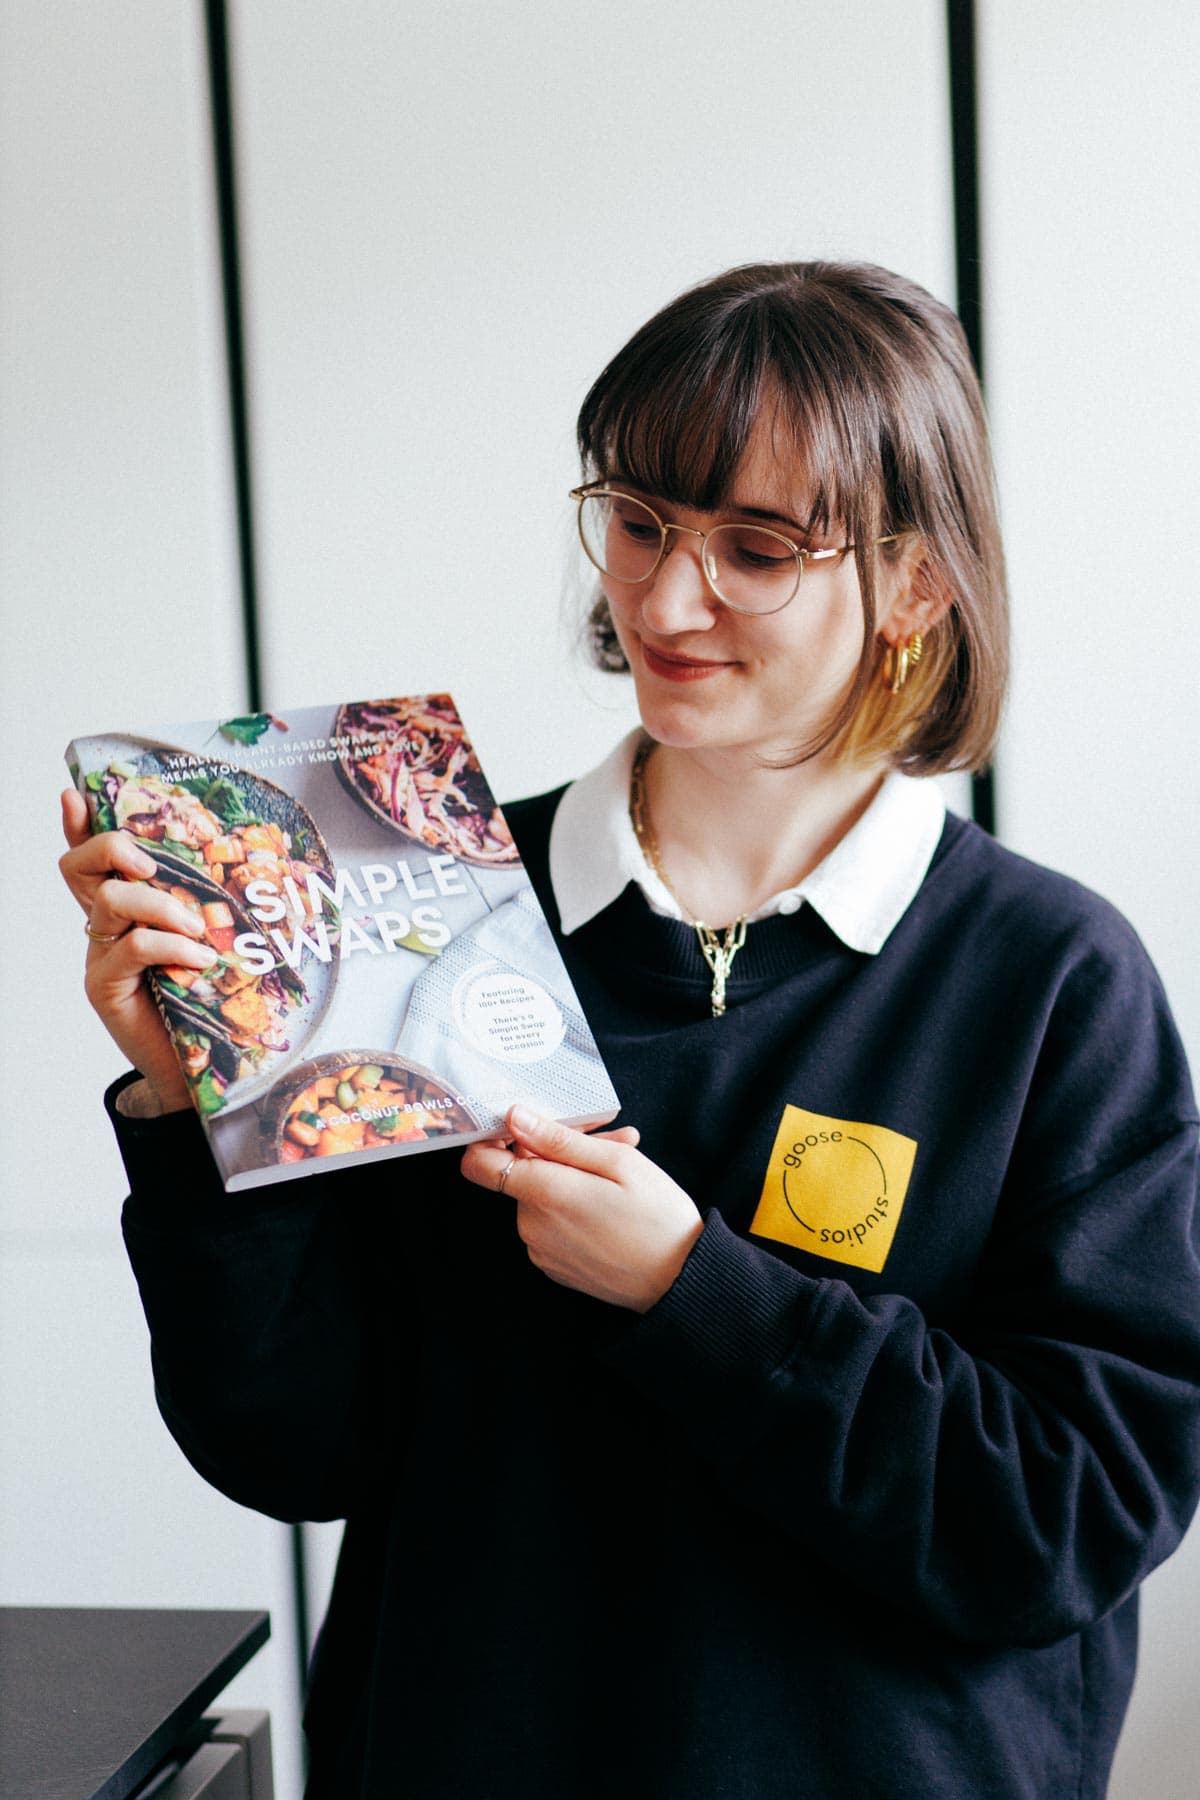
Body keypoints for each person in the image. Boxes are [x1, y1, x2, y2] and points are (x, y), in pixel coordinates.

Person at [60, 261, 1200, 1799]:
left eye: (758, 549)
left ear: (917, 586)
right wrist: (186, 1089)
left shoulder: (1050, 979)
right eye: (643, 522)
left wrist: (691, 1287)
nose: (665, 600)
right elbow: (301, 1450)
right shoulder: (413, 898)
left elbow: (1058, 1525)